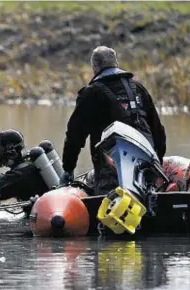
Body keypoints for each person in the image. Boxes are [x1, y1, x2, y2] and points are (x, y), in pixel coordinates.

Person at [60, 46, 166, 194]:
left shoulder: (91, 93)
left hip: (111, 169)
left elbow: (75, 135)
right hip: (147, 165)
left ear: (95, 68)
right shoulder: (138, 89)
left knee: (108, 210)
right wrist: (158, 161)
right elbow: (158, 131)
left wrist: (68, 168)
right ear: (116, 64)